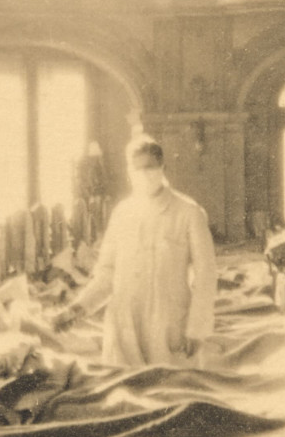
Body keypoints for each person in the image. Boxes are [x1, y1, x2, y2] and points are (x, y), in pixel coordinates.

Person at [51, 135, 217, 367]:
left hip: (169, 325)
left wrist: (196, 329)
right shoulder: (123, 213)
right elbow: (106, 274)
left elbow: (206, 274)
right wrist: (78, 309)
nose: (144, 174)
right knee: (123, 385)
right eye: (137, 169)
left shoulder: (188, 213)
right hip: (123, 325)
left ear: (163, 168)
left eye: (150, 167)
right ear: (129, 173)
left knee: (170, 386)